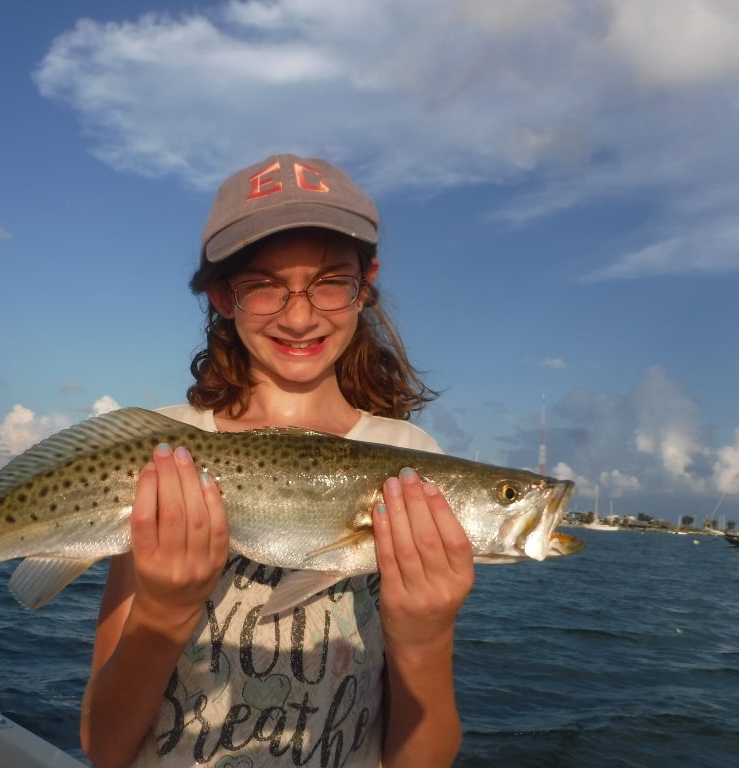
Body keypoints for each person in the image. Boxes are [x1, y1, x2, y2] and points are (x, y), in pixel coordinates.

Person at [80, 154, 475, 767]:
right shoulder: (163, 457)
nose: (298, 313)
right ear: (220, 295)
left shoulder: (413, 464)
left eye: (330, 280)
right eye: (262, 284)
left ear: (365, 284)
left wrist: (426, 639)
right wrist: (163, 609)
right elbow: (103, 749)